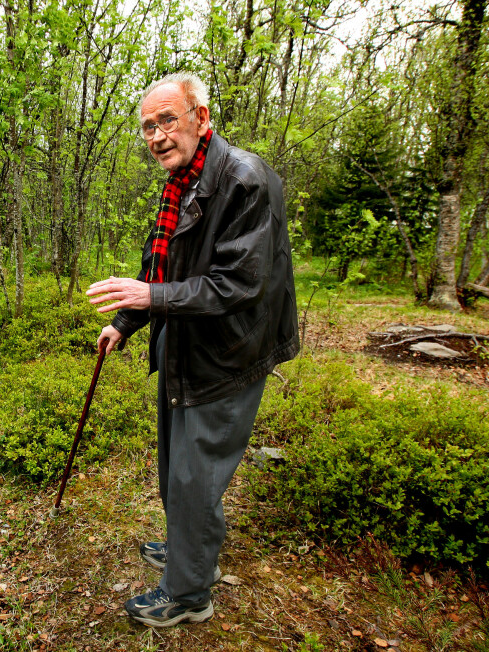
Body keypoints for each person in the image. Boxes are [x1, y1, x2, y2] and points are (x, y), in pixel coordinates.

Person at [85, 72, 299, 628]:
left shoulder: (245, 180)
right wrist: (128, 320)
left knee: (195, 475)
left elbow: (238, 284)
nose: (155, 135)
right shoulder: (182, 178)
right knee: (175, 466)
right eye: (147, 127)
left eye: (167, 120)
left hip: (226, 355)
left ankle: (188, 593)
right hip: (186, 343)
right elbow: (162, 266)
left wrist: (150, 296)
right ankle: (187, 550)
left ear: (201, 118)